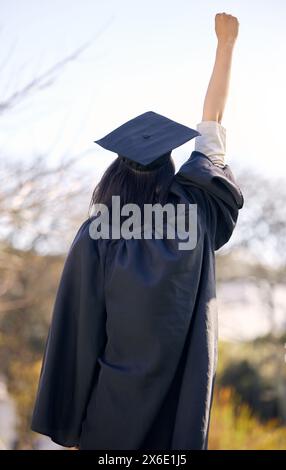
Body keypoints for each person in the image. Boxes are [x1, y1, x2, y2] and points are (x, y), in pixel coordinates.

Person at [31, 12, 243, 450]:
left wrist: (70, 427)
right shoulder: (197, 210)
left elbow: (79, 332)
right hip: (180, 414)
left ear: (115, 174)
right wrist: (226, 47)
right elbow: (212, 129)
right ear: (170, 170)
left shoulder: (98, 236)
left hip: (109, 418)